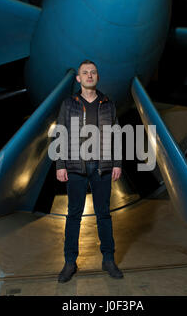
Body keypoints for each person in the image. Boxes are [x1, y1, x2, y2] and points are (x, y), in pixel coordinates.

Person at [55, 60, 123, 283]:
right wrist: (60, 165)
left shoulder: (108, 104)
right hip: (75, 166)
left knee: (104, 214)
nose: (89, 75)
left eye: (93, 72)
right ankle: (69, 262)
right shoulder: (69, 103)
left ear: (98, 77)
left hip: (102, 167)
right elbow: (61, 134)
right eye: (85, 72)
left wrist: (117, 163)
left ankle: (109, 260)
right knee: (74, 214)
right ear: (78, 78)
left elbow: (116, 135)